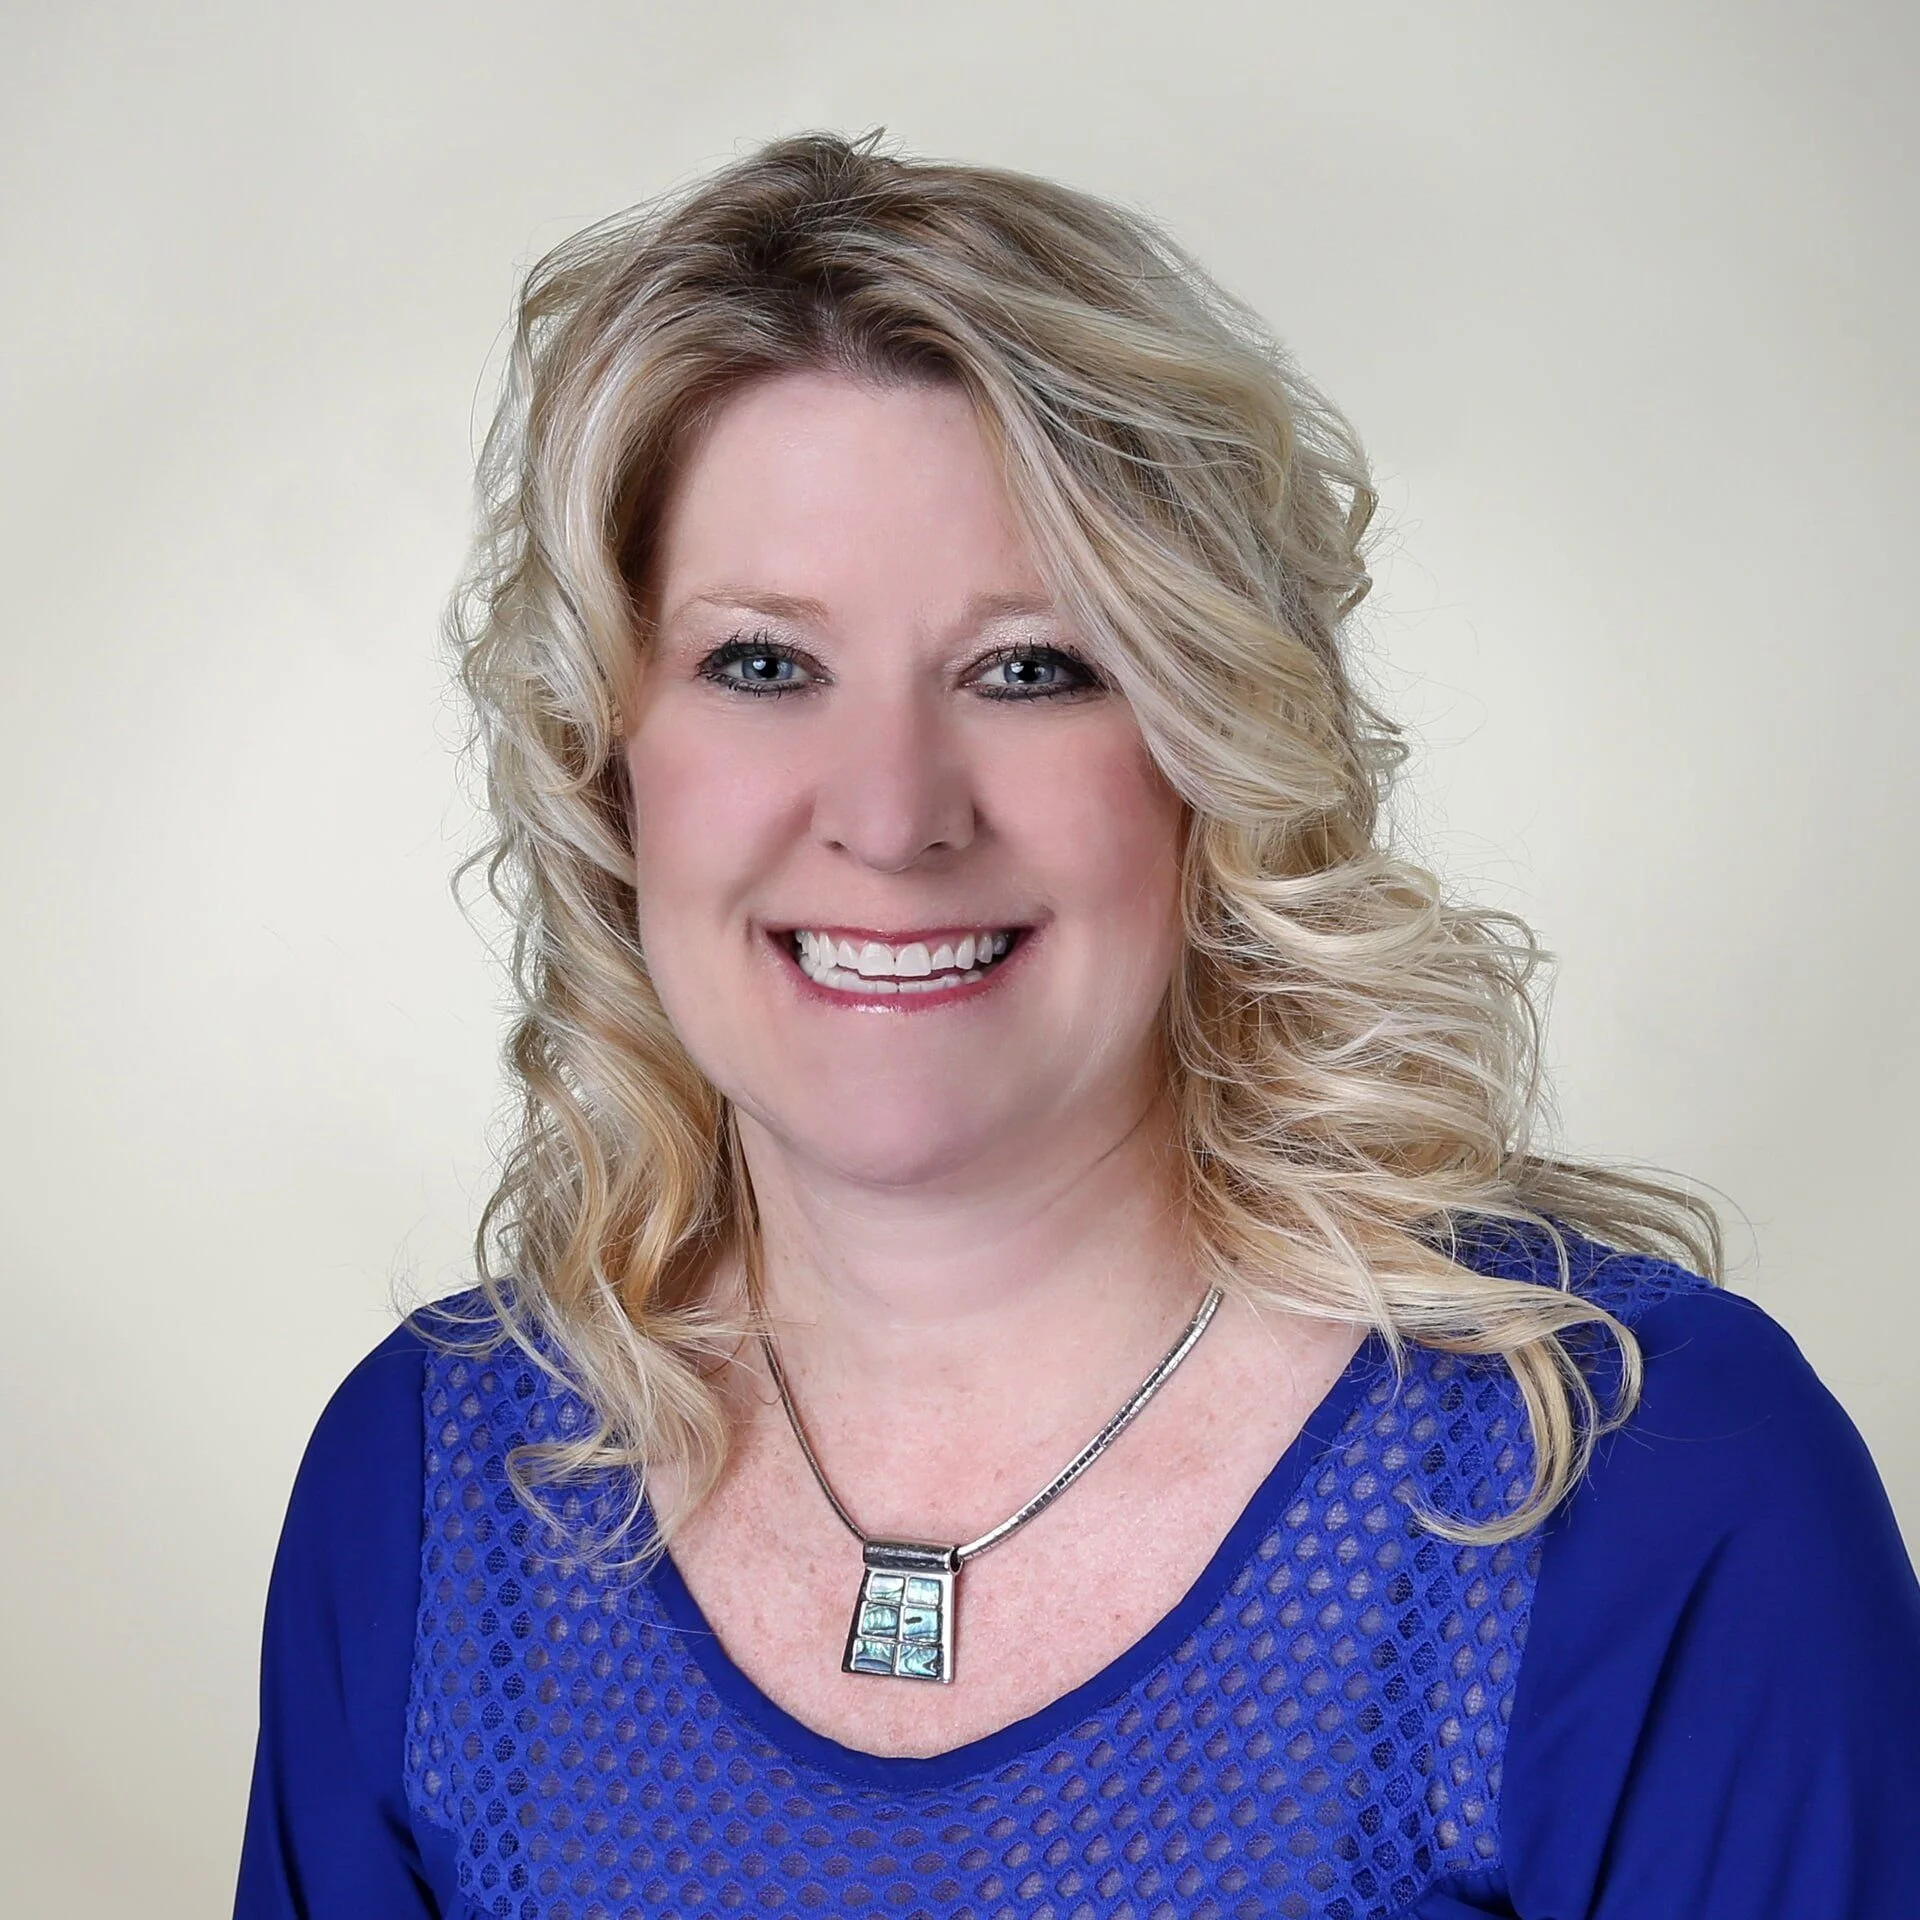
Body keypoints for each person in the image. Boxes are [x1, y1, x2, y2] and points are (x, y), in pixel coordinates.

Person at [233, 132, 1920, 1919]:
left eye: (1031, 667)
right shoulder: (429, 1492)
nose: (890, 813)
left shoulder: (1641, 1485)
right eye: (761, 664)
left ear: (1212, 751)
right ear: (610, 761)